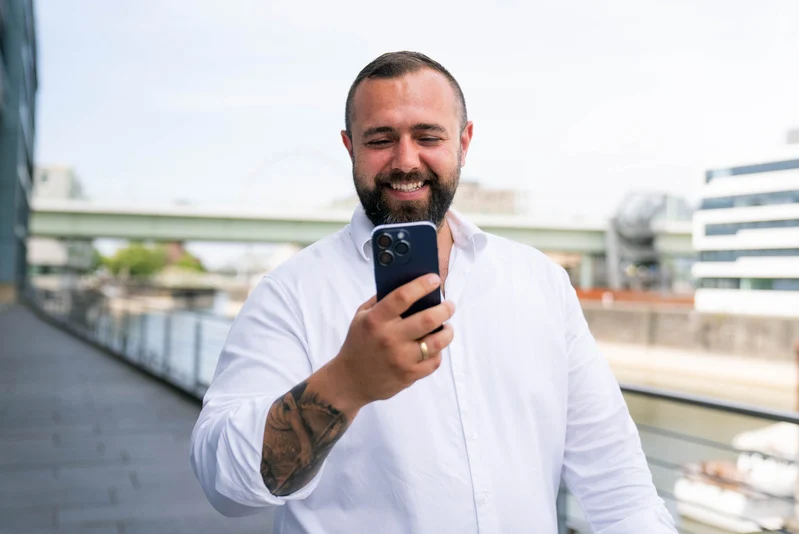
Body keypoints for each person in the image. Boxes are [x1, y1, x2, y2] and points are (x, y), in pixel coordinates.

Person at [190, 51, 677, 533]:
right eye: (381, 139)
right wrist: (347, 382)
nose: (406, 161)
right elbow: (222, 482)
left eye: (428, 136)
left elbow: (617, 480)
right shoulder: (289, 293)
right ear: (349, 148)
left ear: (464, 142)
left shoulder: (540, 282)